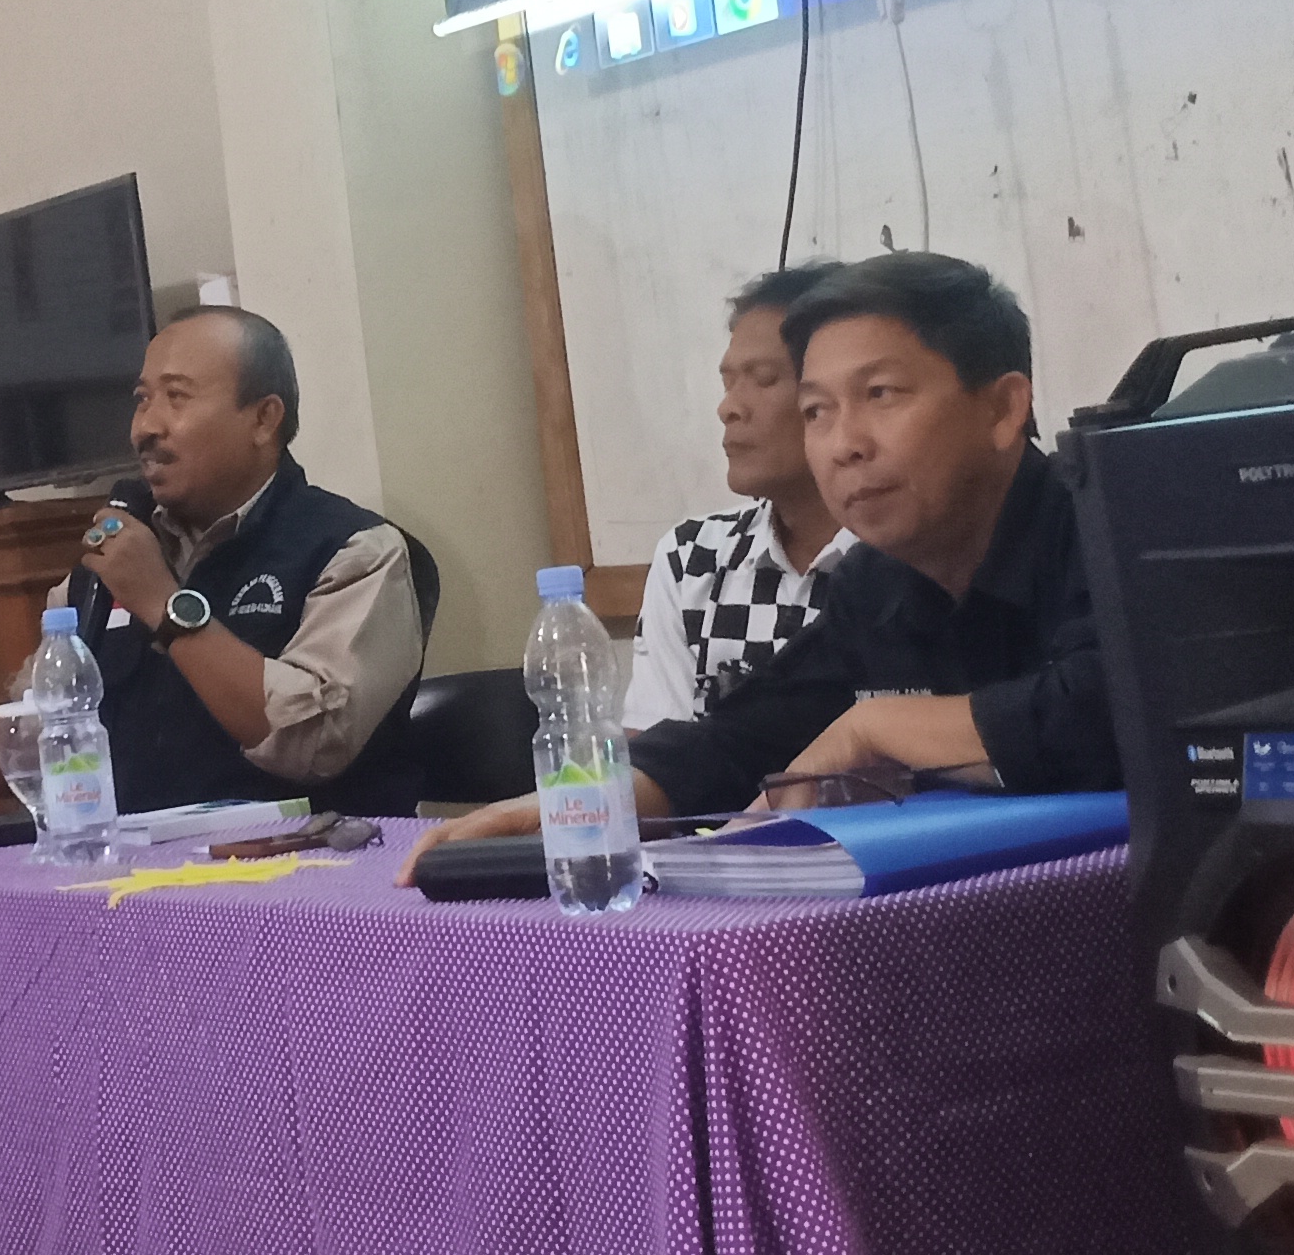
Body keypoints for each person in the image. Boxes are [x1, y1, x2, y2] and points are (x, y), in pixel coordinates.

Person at [405, 253, 1116, 879]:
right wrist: (586, 805)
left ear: (1002, 408)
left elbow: (1112, 709)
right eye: (815, 412)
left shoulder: (1115, 525)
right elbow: (744, 740)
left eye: (880, 395)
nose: (844, 444)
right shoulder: (875, 583)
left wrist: (875, 727)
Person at [0, 305, 434, 813]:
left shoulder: (355, 551)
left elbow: (313, 745)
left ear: (263, 418)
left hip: (307, 884)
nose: (145, 427)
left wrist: (163, 603)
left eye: (176, 397)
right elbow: (3, 763)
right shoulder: (105, 571)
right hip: (135, 884)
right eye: (142, 400)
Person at [624, 263, 851, 729]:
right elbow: (653, 750)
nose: (728, 408)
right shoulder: (692, 559)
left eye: (764, 379)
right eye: (728, 383)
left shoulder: (910, 559)